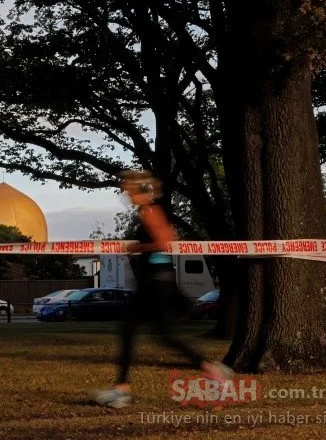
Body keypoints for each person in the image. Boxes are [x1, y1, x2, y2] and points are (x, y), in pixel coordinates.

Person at [90, 170, 232, 408]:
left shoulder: (150, 210)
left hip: (156, 283)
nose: (127, 195)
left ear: (141, 190)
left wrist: (140, 248)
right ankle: (213, 370)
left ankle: (122, 390)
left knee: (135, 331)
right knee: (157, 335)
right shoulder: (149, 210)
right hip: (156, 282)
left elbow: (166, 241)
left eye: (129, 190)